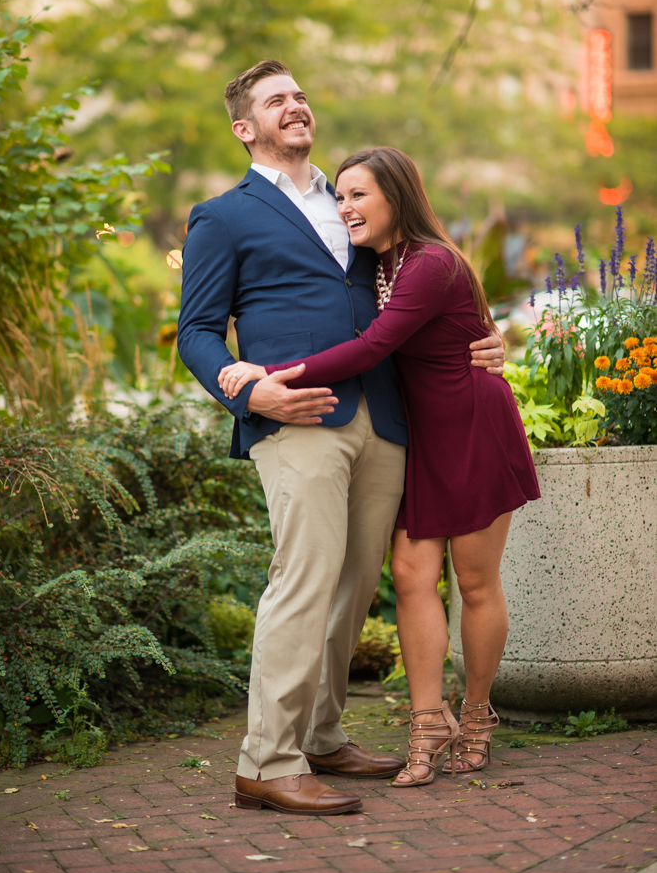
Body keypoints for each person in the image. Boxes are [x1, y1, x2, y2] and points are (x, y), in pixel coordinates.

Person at [178, 60, 505, 815]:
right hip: (296, 420)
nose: (294, 106)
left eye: (298, 95)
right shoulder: (221, 216)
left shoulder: (357, 198)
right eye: (273, 101)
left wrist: (483, 345)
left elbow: (431, 286)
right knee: (303, 579)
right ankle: (267, 758)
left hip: (386, 420)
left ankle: (321, 734)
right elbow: (196, 330)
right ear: (244, 128)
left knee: (354, 588)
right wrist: (244, 386)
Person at [219, 146, 540, 789]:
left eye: (359, 195)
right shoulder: (370, 262)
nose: (345, 208)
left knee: (474, 582)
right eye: (339, 197)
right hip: (416, 434)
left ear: (398, 195)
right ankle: (428, 720)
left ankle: (476, 716)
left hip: (471, 426)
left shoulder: (431, 261)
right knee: (409, 572)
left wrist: (268, 375)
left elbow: (373, 346)